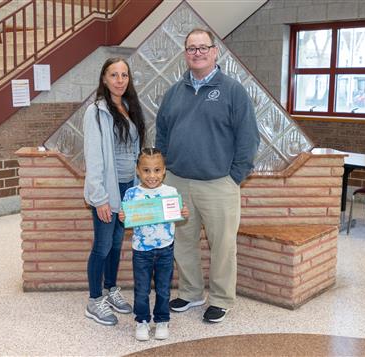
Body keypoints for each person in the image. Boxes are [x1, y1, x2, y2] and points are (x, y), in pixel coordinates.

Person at [155, 28, 260, 323]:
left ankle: (221, 298)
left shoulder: (233, 91)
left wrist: (234, 176)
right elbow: (162, 133)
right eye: (191, 48)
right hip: (177, 182)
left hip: (219, 184)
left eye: (203, 47)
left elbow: (248, 137)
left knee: (222, 245)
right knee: (183, 241)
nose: (197, 53)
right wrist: (163, 172)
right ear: (185, 54)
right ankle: (190, 293)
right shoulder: (174, 92)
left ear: (215, 52)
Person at [83, 57, 146, 326]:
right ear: (104, 79)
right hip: (107, 190)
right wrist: (99, 198)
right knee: (102, 245)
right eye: (114, 75)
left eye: (124, 75)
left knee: (117, 244)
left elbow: (135, 153)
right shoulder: (96, 112)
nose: (120, 80)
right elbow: (94, 157)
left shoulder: (130, 108)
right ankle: (94, 300)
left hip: (128, 188)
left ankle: (111, 289)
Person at [119, 148, 189, 341]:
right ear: (138, 171)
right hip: (141, 251)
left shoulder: (171, 192)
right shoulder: (132, 194)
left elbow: (179, 216)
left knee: (163, 288)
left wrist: (183, 214)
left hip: (166, 249)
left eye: (157, 170)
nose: (152, 176)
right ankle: (141, 321)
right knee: (141, 289)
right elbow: (127, 221)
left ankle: (162, 320)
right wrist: (123, 218)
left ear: (164, 170)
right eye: (146, 170)